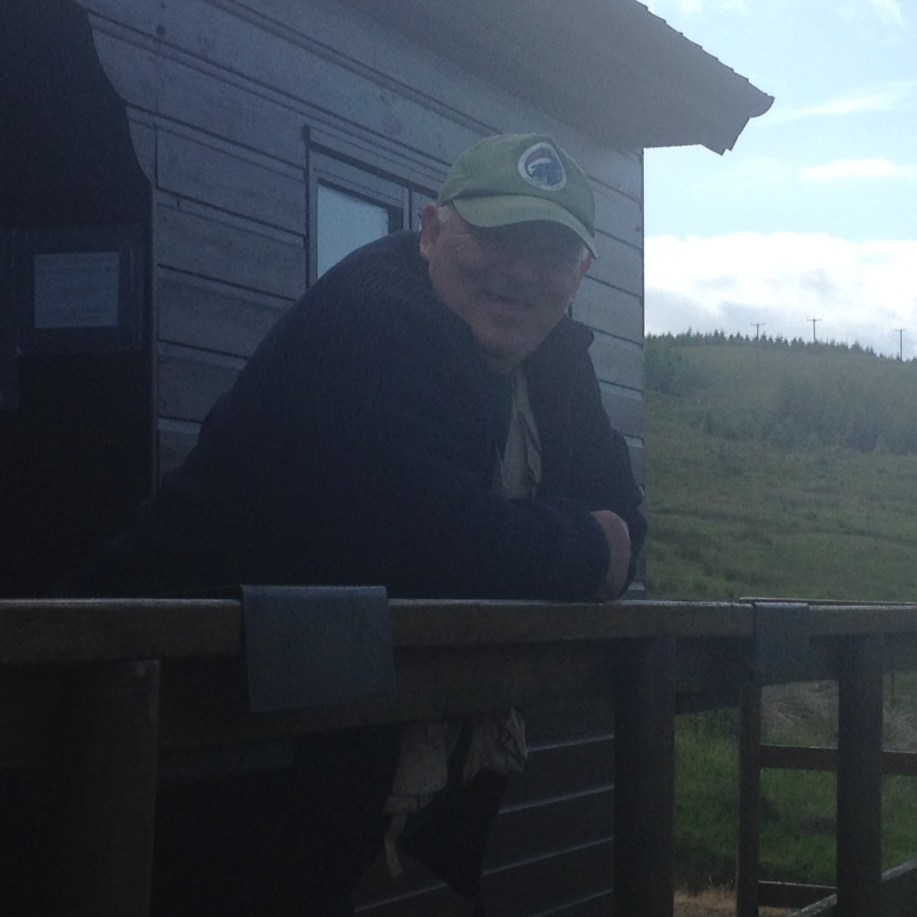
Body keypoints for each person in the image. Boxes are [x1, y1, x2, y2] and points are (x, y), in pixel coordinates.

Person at [76, 133, 646, 915]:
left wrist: (582, 541)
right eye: (496, 237)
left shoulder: (551, 353)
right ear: (432, 230)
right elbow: (433, 544)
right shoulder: (369, 318)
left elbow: (626, 521)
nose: (519, 272)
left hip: (305, 725)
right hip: (159, 729)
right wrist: (586, 544)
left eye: (549, 253)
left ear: (579, 274)